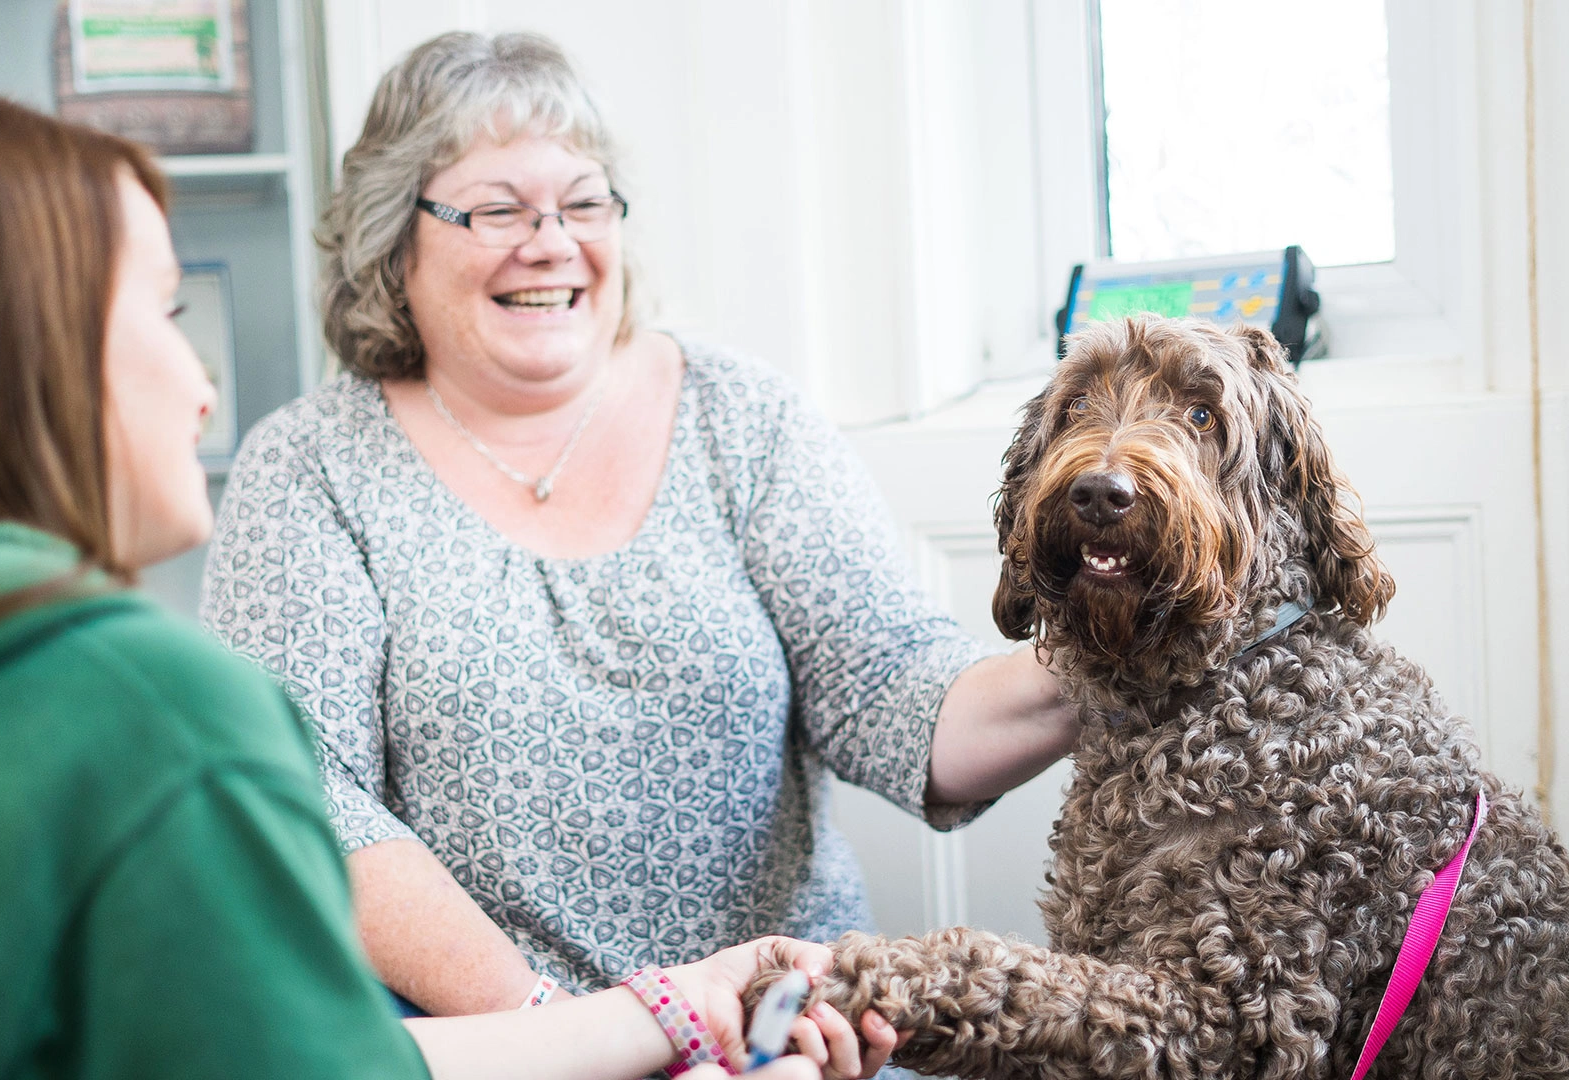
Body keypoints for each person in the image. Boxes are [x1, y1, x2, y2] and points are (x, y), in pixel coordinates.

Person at [0, 81, 877, 1080]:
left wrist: (669, 1013)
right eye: (167, 315)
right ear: (11, 356)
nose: (203, 387)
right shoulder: (148, 716)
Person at [199, 29, 1077, 1034]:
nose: (551, 241)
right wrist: (590, 1035)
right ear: (394, 241)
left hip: (784, 1039)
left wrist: (1102, 671)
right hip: (513, 1044)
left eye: (582, 202)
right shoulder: (308, 466)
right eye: (497, 209)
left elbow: (896, 688)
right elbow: (309, 799)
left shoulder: (741, 415)